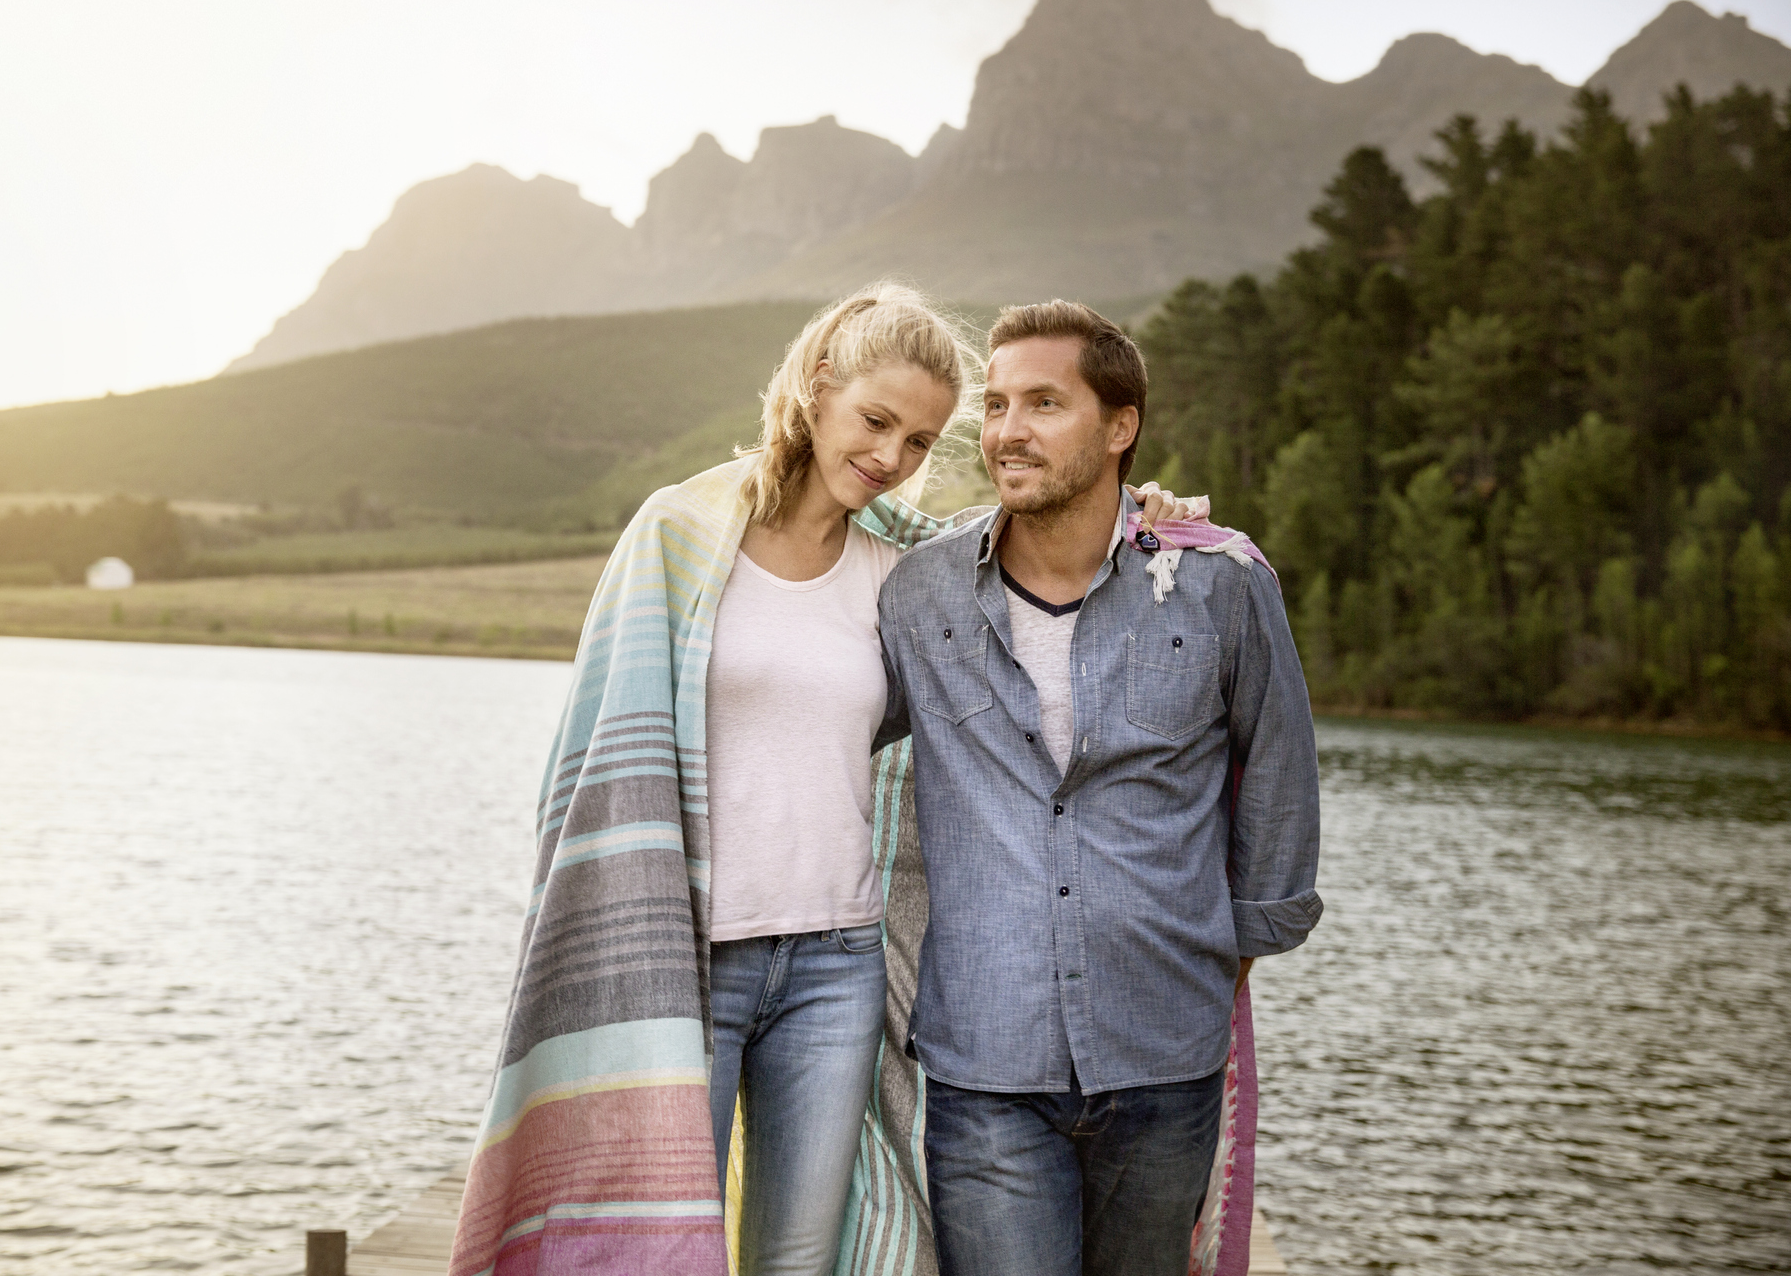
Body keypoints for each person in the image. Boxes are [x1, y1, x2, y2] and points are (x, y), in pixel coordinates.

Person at [447, 283, 1204, 1276]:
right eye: (877, 420)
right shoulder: (678, 537)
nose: (892, 457)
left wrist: (1143, 516)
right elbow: (593, 759)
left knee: (798, 1261)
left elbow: (1040, 558)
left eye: (922, 442)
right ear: (817, 386)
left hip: (834, 970)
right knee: (655, 1245)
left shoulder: (906, 576)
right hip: (692, 959)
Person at [875, 299, 1323, 1276]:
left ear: (1120, 426)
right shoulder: (921, 593)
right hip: (985, 1064)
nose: (1008, 431)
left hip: (1166, 1059)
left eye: (1044, 402)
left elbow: (1282, 784)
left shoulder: (1220, 585)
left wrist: (1217, 959)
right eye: (995, 405)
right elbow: (821, 721)